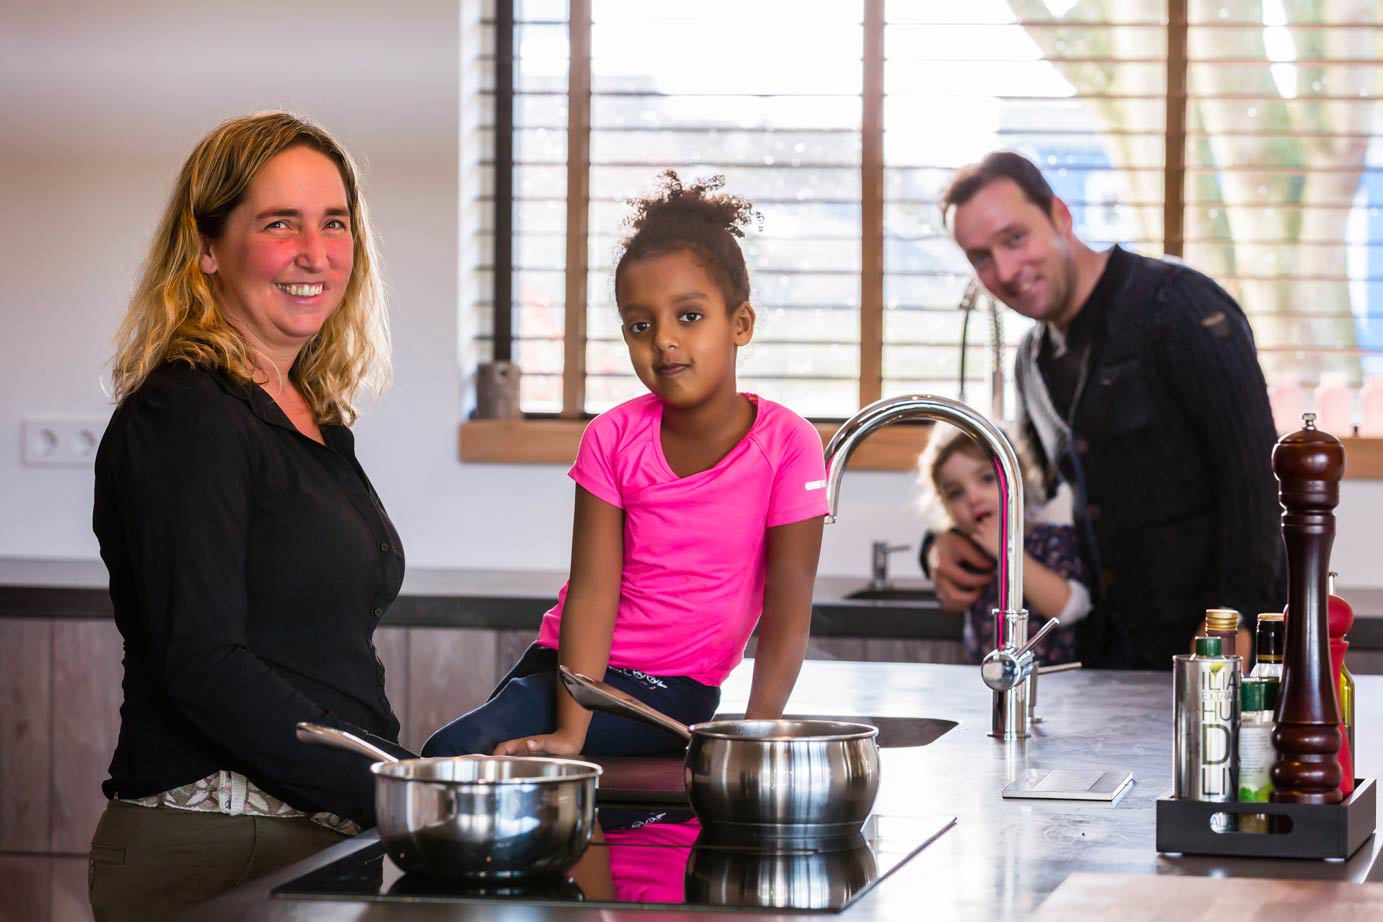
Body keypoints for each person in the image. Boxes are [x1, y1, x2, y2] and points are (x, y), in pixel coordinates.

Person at [89, 112, 408, 921]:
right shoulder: (185, 414)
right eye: (279, 224)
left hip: (315, 839)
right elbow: (203, 660)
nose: (315, 253)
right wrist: (397, 788)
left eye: (333, 223)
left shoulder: (312, 414)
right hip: (215, 847)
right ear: (205, 247)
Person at [423, 172, 828, 759]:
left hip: (670, 692)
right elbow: (591, 592)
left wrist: (755, 736)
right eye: (642, 326)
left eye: (689, 316)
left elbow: (789, 608)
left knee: (457, 751)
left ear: (740, 324)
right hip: (569, 671)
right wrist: (570, 731)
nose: (663, 341)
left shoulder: (789, 444)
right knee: (463, 755)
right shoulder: (611, 438)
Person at [926, 151, 1285, 669]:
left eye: (1015, 238)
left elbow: (1255, 480)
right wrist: (941, 545)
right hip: (1111, 661)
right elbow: (1037, 502)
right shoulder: (1032, 360)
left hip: (1218, 653)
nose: (1004, 270)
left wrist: (1235, 623)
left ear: (1060, 216)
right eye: (980, 256)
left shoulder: (1179, 306)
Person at [918, 424, 1090, 666]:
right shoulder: (966, 553)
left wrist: (1006, 549)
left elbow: (1070, 608)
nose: (972, 497)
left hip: (1051, 688)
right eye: (956, 493)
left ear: (1018, 480)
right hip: (987, 686)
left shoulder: (1053, 540)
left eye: (987, 479)